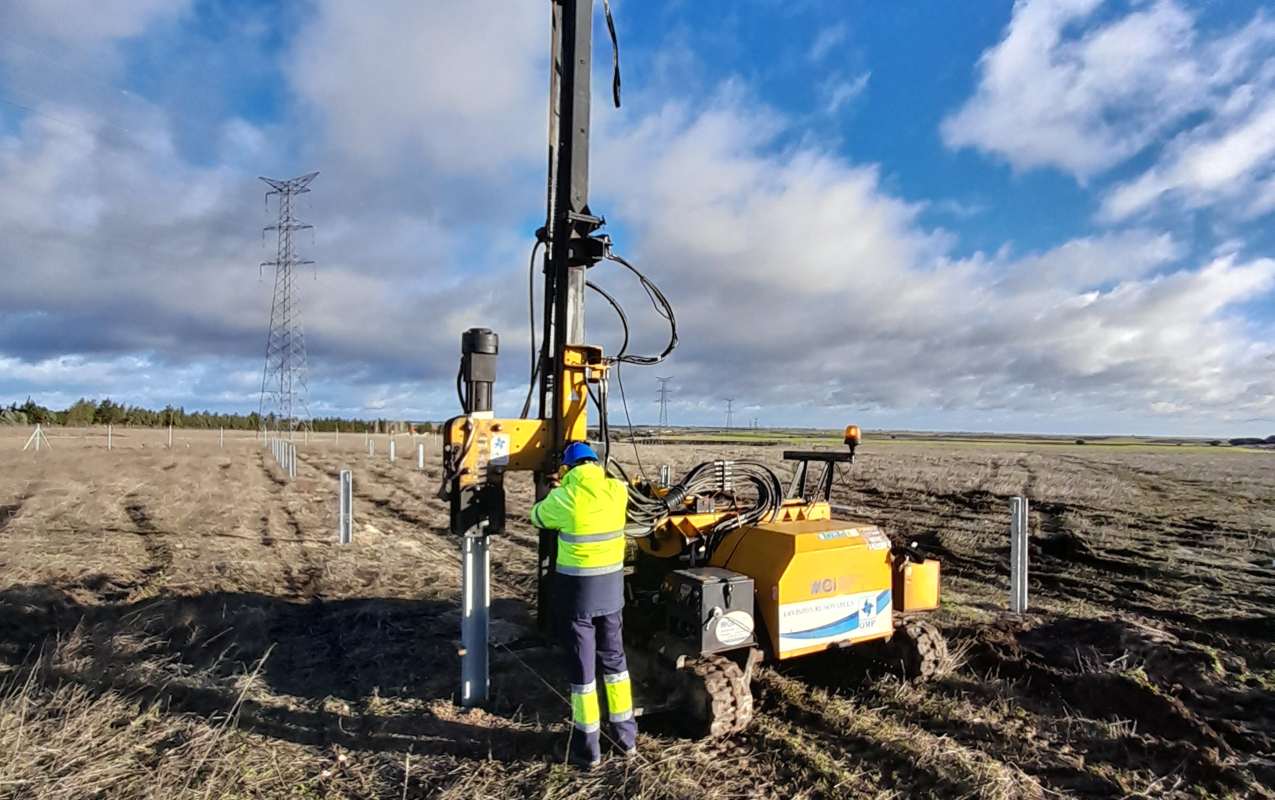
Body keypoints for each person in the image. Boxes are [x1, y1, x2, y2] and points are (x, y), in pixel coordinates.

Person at [530, 441, 637, 768]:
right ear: (594, 462)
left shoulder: (566, 497)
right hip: (612, 595)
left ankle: (587, 749)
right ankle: (626, 739)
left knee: (583, 671)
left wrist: (551, 490)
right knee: (616, 664)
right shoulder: (617, 491)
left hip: (578, 598)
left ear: (567, 468)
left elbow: (538, 517)